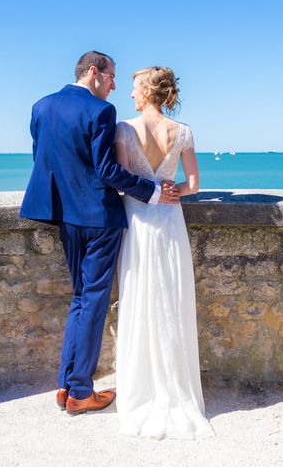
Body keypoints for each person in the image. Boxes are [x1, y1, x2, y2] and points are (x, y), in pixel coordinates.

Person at [19, 51, 179, 415]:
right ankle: (80, 391)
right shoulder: (100, 111)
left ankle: (66, 385)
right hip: (100, 221)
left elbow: (42, 159)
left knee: (79, 298)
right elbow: (108, 171)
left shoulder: (41, 106)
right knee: (92, 301)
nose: (114, 85)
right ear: (94, 72)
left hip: (64, 217)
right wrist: (153, 192)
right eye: (111, 77)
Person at [114, 66, 214, 438]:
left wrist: (151, 191)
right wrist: (170, 193)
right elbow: (193, 185)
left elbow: (124, 185)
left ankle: (142, 387)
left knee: (141, 298)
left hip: (138, 223)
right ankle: (174, 387)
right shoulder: (183, 131)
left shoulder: (124, 129)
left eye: (134, 88)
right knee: (170, 301)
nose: (130, 95)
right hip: (171, 222)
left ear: (145, 91)